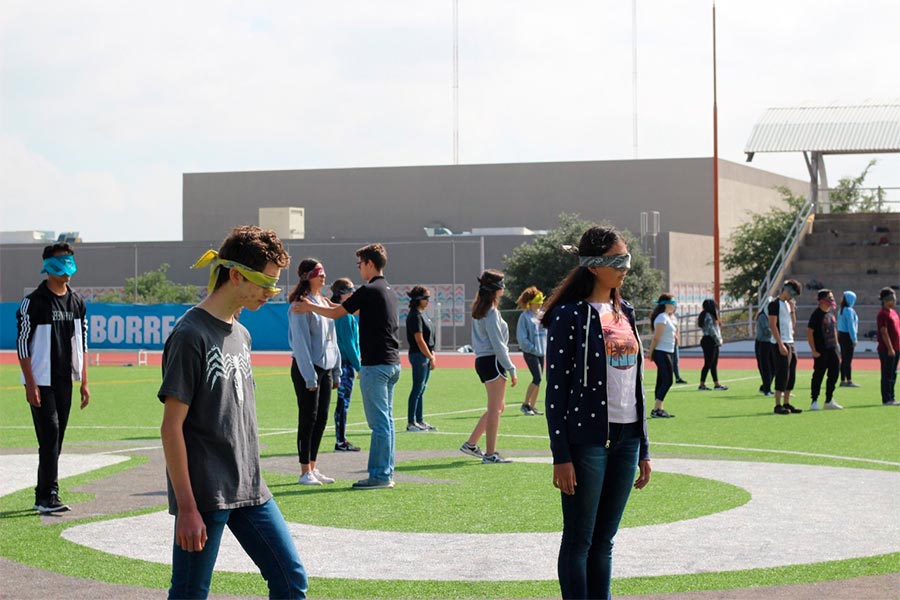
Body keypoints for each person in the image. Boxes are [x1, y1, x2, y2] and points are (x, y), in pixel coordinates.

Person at [158, 226, 307, 599]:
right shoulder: (190, 334)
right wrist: (187, 509)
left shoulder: (242, 333)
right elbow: (171, 428)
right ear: (236, 275)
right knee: (190, 593)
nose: (271, 293)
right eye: (264, 283)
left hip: (251, 489)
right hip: (206, 495)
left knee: (291, 580)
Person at [542, 224, 651, 600]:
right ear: (592, 265)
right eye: (616, 260)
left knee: (605, 541)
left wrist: (644, 448)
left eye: (627, 259)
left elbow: (636, 384)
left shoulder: (627, 312)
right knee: (579, 540)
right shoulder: (570, 315)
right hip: (585, 443)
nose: (624, 267)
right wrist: (561, 456)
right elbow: (555, 392)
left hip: (627, 439)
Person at [293, 243, 401, 489]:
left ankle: (380, 475)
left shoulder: (368, 290)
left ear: (370, 264)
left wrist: (309, 306)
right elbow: (341, 309)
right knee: (388, 422)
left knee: (379, 424)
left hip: (376, 365)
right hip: (393, 363)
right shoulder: (388, 290)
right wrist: (320, 303)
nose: (359, 269)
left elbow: (335, 314)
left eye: (360, 264)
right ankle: (386, 471)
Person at [16, 242, 90, 514]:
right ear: (47, 266)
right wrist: (30, 383)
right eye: (61, 265)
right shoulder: (34, 302)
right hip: (41, 381)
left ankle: (44, 493)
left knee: (56, 440)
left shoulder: (77, 302)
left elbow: (82, 342)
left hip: (64, 381)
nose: (67, 271)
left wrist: (84, 381)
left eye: (70, 264)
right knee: (50, 434)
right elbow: (22, 344)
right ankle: (48, 495)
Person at [288, 259, 341, 485]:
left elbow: (333, 339)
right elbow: (300, 343)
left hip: (326, 369)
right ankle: (304, 471)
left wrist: (336, 370)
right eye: (319, 273)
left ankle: (313, 466)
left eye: (324, 273)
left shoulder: (323, 303)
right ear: (307, 276)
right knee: (308, 418)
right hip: (307, 369)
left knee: (321, 418)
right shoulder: (300, 305)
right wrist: (309, 375)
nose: (323, 277)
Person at [460, 269, 518, 464]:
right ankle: (490, 454)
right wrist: (511, 368)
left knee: (498, 407)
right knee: (495, 409)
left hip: (484, 361)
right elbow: (498, 345)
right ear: (496, 289)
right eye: (502, 285)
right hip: (492, 361)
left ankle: (471, 444)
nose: (504, 288)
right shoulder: (491, 313)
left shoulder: (481, 309)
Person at [330, 278, 361, 452]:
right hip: (344, 365)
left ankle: (341, 438)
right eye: (350, 291)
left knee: (341, 403)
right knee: (343, 403)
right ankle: (340, 440)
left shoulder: (334, 313)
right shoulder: (345, 316)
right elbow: (349, 344)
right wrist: (359, 366)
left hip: (337, 362)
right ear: (342, 294)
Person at [405, 286, 437, 432]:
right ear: (418, 300)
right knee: (417, 387)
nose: (428, 301)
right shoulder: (414, 316)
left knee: (422, 388)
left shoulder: (422, 314)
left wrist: (432, 354)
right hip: (419, 355)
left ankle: (420, 420)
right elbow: (419, 340)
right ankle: (411, 422)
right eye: (426, 298)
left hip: (425, 354)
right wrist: (430, 356)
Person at [768, 279, 803, 415]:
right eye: (792, 294)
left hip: (790, 341)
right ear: (787, 290)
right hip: (780, 342)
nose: (792, 298)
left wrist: (793, 310)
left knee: (791, 374)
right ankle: (777, 405)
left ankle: (787, 403)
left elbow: (792, 325)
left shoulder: (788, 305)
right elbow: (772, 325)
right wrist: (780, 343)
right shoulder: (774, 304)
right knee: (782, 373)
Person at [807, 289, 843, 411]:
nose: (832, 300)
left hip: (833, 350)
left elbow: (834, 331)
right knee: (818, 375)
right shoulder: (816, 315)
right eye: (829, 297)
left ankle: (829, 399)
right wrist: (814, 350)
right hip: (821, 350)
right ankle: (814, 401)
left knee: (833, 374)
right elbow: (810, 332)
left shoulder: (831, 314)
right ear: (822, 300)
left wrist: (837, 347)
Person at [516, 286, 547, 416]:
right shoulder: (525, 317)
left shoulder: (542, 315)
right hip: (531, 353)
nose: (540, 303)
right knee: (537, 377)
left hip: (541, 352)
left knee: (539, 380)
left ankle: (532, 406)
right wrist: (532, 348)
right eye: (538, 301)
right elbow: (522, 337)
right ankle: (525, 405)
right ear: (531, 302)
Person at [647, 293, 678, 418]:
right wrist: (651, 352)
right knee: (668, 380)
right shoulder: (661, 317)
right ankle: (656, 409)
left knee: (661, 380)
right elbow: (656, 337)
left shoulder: (668, 317)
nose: (675, 306)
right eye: (673, 303)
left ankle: (659, 408)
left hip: (668, 351)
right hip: (661, 351)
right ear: (666, 304)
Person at [697, 299, 727, 391]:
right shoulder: (709, 316)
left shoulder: (707, 315)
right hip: (710, 340)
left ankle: (716, 383)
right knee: (708, 363)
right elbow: (711, 330)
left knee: (713, 363)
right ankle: (702, 384)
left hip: (710, 340)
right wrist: (718, 340)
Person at [877, 287, 900, 406]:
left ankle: (892, 396)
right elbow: (884, 332)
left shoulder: (893, 312)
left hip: (896, 348)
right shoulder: (883, 314)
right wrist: (890, 348)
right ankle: (887, 398)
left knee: (893, 373)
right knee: (887, 374)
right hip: (887, 349)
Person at [837, 290, 860, 388]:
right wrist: (854, 339)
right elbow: (851, 326)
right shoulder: (849, 311)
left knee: (843, 358)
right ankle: (849, 380)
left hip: (841, 335)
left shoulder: (841, 310)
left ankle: (842, 380)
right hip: (848, 336)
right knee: (848, 359)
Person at [755, 304, 775, 396]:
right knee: (765, 367)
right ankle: (766, 389)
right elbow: (767, 331)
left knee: (773, 367)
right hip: (763, 343)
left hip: (769, 342)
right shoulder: (763, 317)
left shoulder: (770, 316)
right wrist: (776, 331)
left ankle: (765, 387)